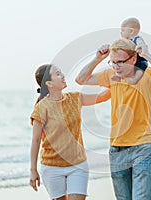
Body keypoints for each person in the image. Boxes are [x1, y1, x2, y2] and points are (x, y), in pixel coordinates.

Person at [75, 38, 151, 200]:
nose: (116, 66)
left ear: (133, 59)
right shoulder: (111, 75)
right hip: (117, 149)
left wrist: (148, 55)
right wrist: (98, 58)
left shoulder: (147, 75)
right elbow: (81, 79)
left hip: (142, 147)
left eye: (120, 62)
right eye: (113, 62)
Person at [29, 64, 110, 200]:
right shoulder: (41, 107)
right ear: (49, 83)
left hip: (78, 165)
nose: (63, 76)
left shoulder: (75, 98)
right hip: (52, 167)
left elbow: (102, 96)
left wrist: (118, 79)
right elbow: (36, 140)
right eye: (58, 74)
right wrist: (33, 170)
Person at [111, 17, 148, 85]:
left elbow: (141, 44)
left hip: (140, 60)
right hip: (132, 61)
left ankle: (134, 80)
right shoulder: (125, 42)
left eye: (123, 30)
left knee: (139, 70)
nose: (121, 33)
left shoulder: (137, 39)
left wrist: (140, 46)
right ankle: (121, 78)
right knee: (124, 67)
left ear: (131, 31)